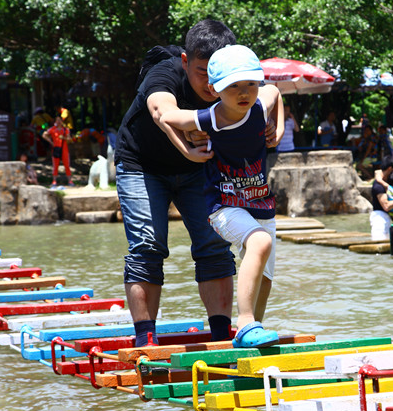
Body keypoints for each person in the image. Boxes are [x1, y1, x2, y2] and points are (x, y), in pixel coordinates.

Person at [115, 19, 277, 347]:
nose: (211, 84)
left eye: (218, 75)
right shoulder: (165, 74)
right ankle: (146, 338)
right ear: (187, 61)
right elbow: (163, 112)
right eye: (203, 72)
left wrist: (271, 125)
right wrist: (186, 148)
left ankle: (223, 335)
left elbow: (270, 95)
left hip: (200, 171)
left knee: (214, 245)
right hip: (142, 165)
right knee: (147, 246)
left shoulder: (235, 81)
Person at [160, 44, 284, 348]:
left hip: (260, 204)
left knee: (265, 275)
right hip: (223, 206)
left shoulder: (259, 107)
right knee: (260, 242)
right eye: (234, 87)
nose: (244, 93)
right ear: (215, 88)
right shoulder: (209, 118)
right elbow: (167, 118)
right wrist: (188, 150)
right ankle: (244, 324)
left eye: (250, 85)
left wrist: (277, 132)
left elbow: (276, 93)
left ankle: (253, 333)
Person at [369, 156, 393, 241]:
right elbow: (386, 206)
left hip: (387, 218)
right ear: (390, 168)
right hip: (379, 219)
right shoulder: (378, 186)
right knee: (379, 243)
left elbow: (378, 173)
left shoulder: (385, 182)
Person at [42, 116, 74, 188]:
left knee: (67, 165)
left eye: (60, 120)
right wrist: (51, 142)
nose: (59, 121)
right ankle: (54, 181)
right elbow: (44, 135)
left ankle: (70, 180)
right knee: (55, 165)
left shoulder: (66, 130)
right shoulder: (53, 129)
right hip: (56, 149)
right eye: (57, 120)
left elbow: (69, 139)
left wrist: (64, 138)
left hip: (64, 150)